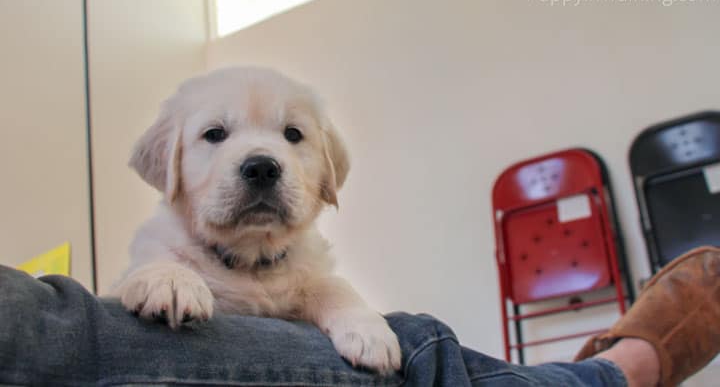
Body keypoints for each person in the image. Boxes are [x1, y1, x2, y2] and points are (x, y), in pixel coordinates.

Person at [1, 246, 718, 386]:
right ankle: (604, 376)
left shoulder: (305, 262)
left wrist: (342, 306)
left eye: (291, 135)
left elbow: (321, 288)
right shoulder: (166, 246)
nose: (260, 158)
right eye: (214, 136)